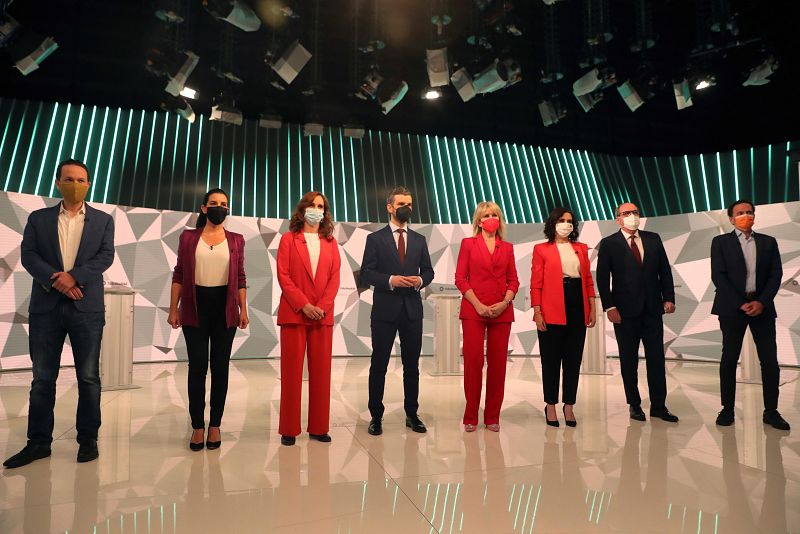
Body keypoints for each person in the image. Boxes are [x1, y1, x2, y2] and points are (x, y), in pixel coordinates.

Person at [4, 159, 115, 468]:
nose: (75, 184)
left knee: (89, 378)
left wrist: (75, 276)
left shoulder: (104, 220)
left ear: (89, 184)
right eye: (69, 179)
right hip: (46, 308)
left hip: (87, 309)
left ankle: (88, 439)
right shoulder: (39, 219)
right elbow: (29, 255)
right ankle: (38, 443)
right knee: (42, 379)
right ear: (57, 183)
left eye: (81, 179)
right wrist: (59, 281)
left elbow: (105, 256)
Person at [168, 188, 249, 451]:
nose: (219, 208)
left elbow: (240, 278)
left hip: (224, 310)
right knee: (197, 367)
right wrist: (173, 308)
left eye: (224, 204)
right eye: (213, 203)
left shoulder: (237, 239)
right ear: (204, 208)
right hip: (195, 308)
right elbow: (179, 274)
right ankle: (197, 427)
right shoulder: (189, 237)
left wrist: (243, 310)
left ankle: (215, 424)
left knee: (221, 367)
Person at [360, 186, 434, 436]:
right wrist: (391, 279)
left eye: (410, 204)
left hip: (412, 310)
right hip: (384, 310)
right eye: (402, 203)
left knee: (411, 365)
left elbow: (429, 271)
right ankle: (376, 415)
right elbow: (367, 273)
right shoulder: (375, 239)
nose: (407, 208)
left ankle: (412, 413)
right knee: (378, 364)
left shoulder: (419, 240)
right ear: (390, 207)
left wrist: (420, 281)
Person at [596, 202, 679, 423]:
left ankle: (659, 406)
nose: (632, 216)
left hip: (653, 310)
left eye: (635, 212)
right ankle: (634, 404)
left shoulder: (653, 238)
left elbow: (665, 271)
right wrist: (609, 306)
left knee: (656, 359)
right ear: (618, 219)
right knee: (628, 360)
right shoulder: (608, 244)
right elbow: (603, 280)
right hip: (624, 313)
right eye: (626, 213)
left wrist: (669, 297)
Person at [711, 200, 790, 430]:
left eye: (749, 212)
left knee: (769, 360)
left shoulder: (768, 242)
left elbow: (776, 275)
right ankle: (727, 409)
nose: (746, 215)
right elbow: (718, 276)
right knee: (729, 359)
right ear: (731, 218)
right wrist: (740, 303)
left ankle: (771, 411)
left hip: (761, 307)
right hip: (731, 307)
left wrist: (761, 301)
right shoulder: (720, 242)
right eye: (740, 213)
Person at [276, 191, 341, 446]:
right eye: (313, 205)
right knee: (291, 374)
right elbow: (284, 276)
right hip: (294, 314)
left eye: (321, 207)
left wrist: (321, 307)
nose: (317, 210)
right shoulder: (288, 239)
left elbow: (335, 278)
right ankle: (289, 429)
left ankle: (318, 427)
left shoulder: (330, 242)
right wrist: (304, 305)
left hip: (322, 317)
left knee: (321, 374)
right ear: (302, 210)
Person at [454, 201, 519, 432]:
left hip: (502, 311)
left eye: (494, 214)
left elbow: (514, 280)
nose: (491, 218)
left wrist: (505, 302)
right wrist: (478, 305)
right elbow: (461, 278)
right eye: (486, 215)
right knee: (473, 362)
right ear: (478, 220)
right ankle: (471, 415)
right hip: (474, 310)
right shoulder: (468, 244)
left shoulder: (508, 247)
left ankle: (493, 416)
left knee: (498, 364)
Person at [531, 207, 596, 427]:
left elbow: (587, 280)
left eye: (569, 221)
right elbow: (535, 284)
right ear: (553, 224)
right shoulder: (541, 249)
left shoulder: (581, 248)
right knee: (550, 361)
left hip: (578, 306)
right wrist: (537, 311)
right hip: (551, 308)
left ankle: (569, 405)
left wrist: (592, 307)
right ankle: (550, 405)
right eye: (561, 220)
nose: (566, 224)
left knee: (573, 360)